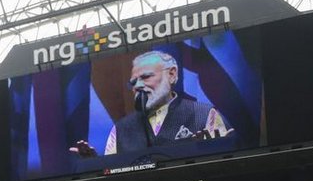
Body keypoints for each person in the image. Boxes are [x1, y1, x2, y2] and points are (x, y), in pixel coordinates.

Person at [70, 50, 232, 156]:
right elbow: (112, 175)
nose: (138, 86)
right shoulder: (121, 129)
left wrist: (214, 150)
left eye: (146, 77)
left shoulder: (204, 115)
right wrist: (94, 162)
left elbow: (228, 166)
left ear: (172, 74)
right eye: (134, 82)